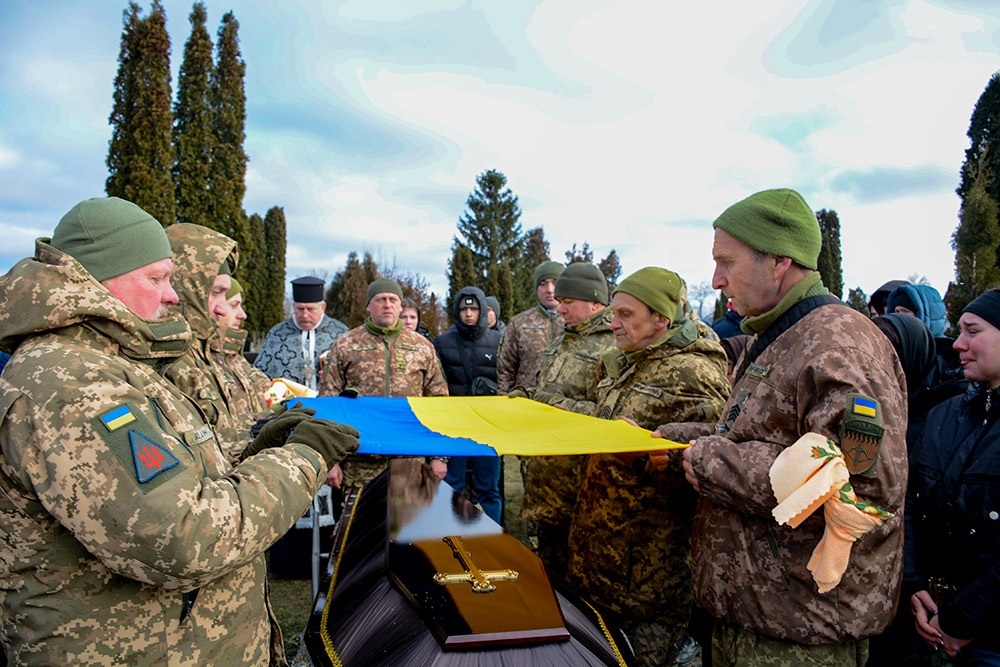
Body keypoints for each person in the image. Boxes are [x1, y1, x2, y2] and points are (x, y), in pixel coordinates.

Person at [0, 197, 360, 665]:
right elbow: (184, 537)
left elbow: (175, 477)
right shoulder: (69, 381)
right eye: (156, 278)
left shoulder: (117, 362)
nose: (172, 295)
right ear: (94, 280)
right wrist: (304, 457)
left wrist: (255, 451)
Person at [654, 188, 907, 666]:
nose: (716, 278)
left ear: (779, 262)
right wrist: (675, 440)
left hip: (801, 632)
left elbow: (859, 482)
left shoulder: (838, 344)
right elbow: (758, 437)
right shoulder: (778, 336)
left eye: (726, 261)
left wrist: (709, 462)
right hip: (756, 615)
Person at [565, 266, 730, 667]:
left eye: (626, 315)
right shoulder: (624, 360)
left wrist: (652, 456)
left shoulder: (696, 372)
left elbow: (715, 455)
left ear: (661, 319)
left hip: (647, 579)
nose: (613, 323)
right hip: (598, 560)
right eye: (613, 312)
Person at [905, 289, 1000, 666]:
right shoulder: (944, 413)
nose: (958, 344)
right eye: (959, 330)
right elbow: (911, 503)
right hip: (929, 622)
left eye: (972, 331)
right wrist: (913, 585)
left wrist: (960, 620)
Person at [511, 262, 615, 579]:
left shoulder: (613, 345)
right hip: (547, 483)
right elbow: (549, 388)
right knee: (549, 572)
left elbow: (609, 414)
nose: (560, 308)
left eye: (568, 303)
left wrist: (546, 402)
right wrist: (525, 394)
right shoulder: (562, 339)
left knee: (581, 581)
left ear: (595, 302)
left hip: (581, 489)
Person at [321, 278, 449, 487]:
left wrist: (439, 456)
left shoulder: (421, 346)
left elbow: (439, 402)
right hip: (360, 461)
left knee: (408, 519)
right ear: (369, 306)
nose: (387, 304)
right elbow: (328, 402)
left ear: (400, 307)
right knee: (362, 520)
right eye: (380, 299)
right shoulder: (346, 345)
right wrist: (330, 460)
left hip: (410, 457)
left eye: (393, 299)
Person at [161, 223, 262, 457]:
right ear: (185, 288)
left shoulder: (201, 352)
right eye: (215, 293)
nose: (223, 309)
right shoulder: (165, 360)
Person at [434, 286, 504, 523]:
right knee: (452, 485)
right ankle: (447, 532)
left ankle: (492, 537)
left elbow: (507, 379)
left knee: (488, 488)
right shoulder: (442, 343)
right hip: (454, 426)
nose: (468, 314)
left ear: (483, 310)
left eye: (474, 308)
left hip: (488, 425)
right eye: (464, 308)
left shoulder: (499, 341)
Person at [254, 276, 348, 390]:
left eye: (310, 309)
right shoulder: (277, 334)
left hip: (330, 402)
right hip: (289, 404)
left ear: (323, 307)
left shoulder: (341, 333)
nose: (305, 315)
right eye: (300, 309)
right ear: (293, 306)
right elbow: (259, 375)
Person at [496, 260, 564, 393]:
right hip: (528, 404)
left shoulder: (577, 322)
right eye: (543, 284)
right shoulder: (520, 323)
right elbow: (505, 369)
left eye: (555, 283)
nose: (550, 290)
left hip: (565, 406)